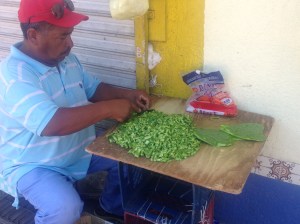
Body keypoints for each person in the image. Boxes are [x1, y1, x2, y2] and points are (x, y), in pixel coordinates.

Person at [0, 0, 150, 223]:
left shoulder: (67, 60)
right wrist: (110, 108)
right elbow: (52, 123)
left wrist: (127, 95)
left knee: (132, 159)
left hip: (80, 149)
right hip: (35, 164)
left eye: (70, 34)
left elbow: (93, 88)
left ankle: (110, 207)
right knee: (65, 208)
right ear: (33, 35)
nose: (71, 43)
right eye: (63, 36)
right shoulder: (14, 76)